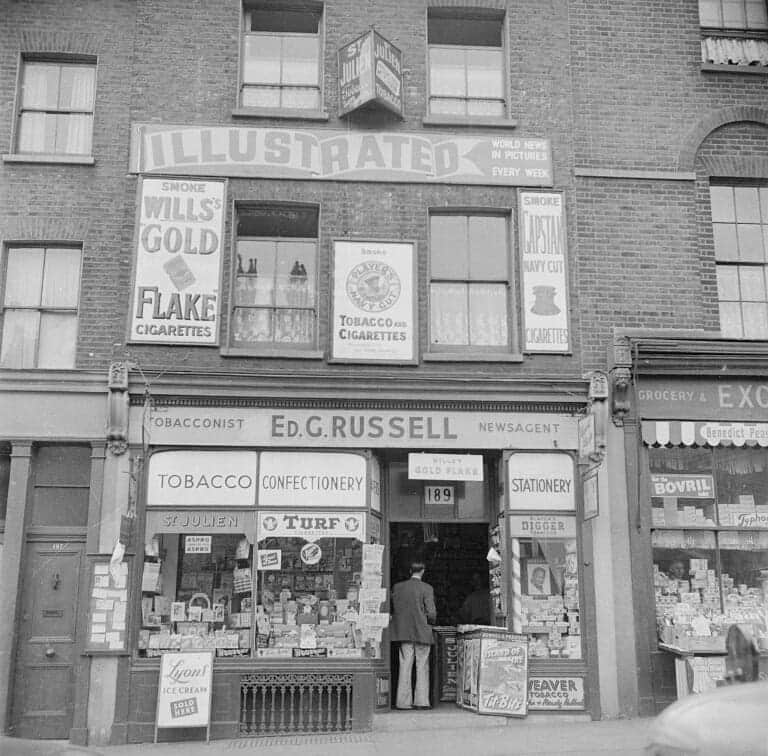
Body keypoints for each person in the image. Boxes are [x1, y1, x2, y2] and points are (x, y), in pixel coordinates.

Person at [390, 561, 437, 710]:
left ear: (410, 570)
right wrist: (430, 621)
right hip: (422, 630)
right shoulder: (427, 588)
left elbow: (394, 608)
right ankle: (422, 701)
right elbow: (431, 612)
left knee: (405, 665)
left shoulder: (398, 587)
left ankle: (402, 702)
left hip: (403, 631)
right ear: (423, 571)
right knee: (422, 665)